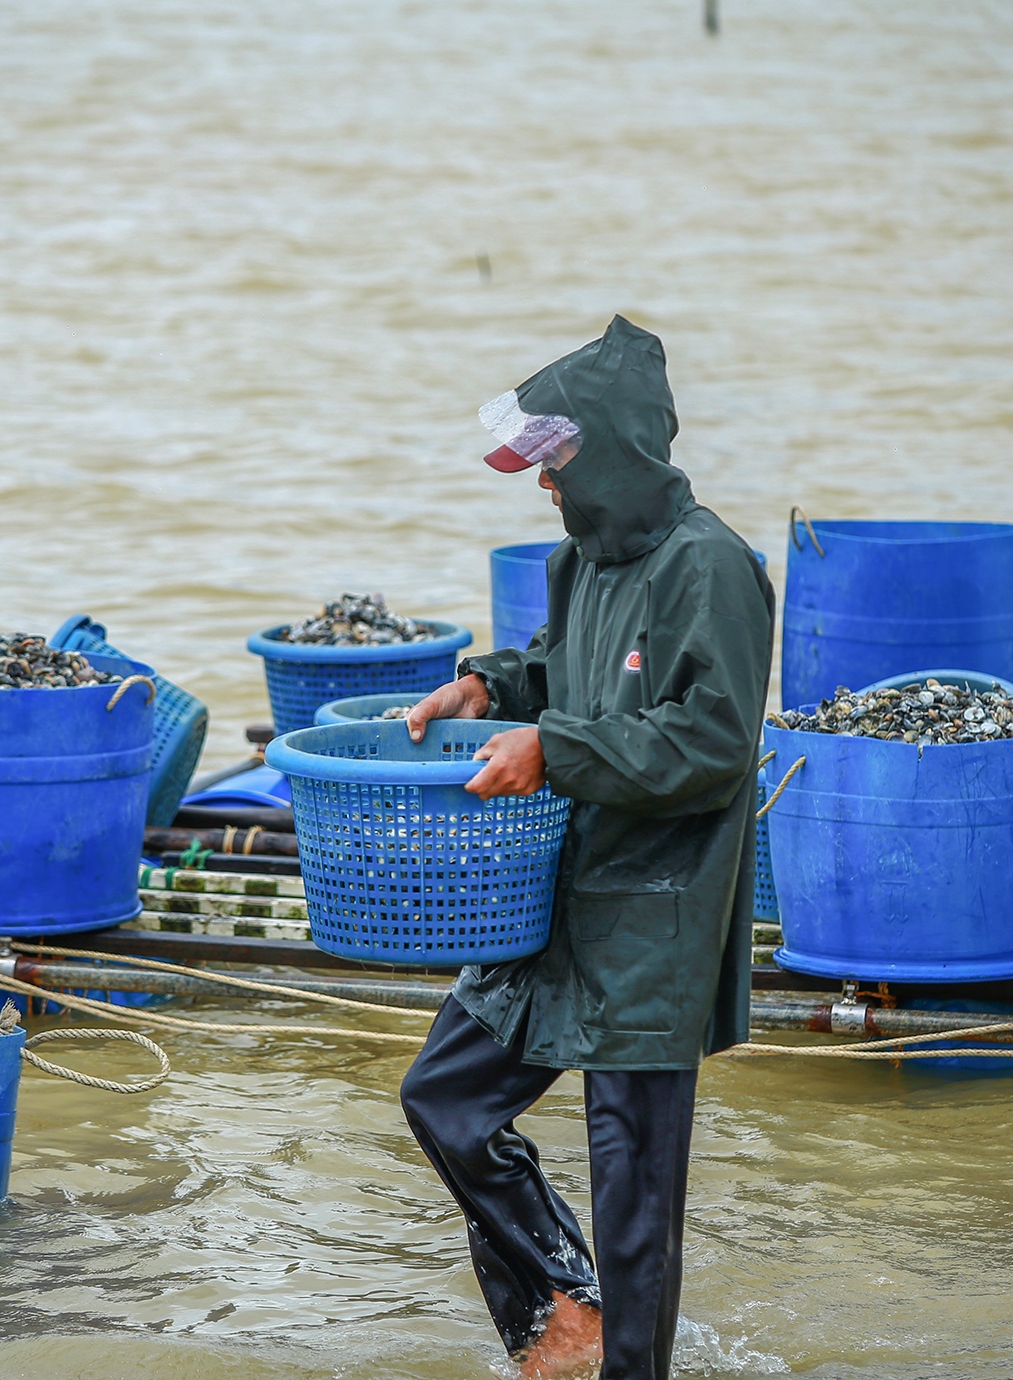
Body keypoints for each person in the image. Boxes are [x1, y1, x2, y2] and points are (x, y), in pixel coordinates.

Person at [398, 315, 775, 1380]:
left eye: (555, 462)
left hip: (657, 914)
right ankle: (566, 1307)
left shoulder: (712, 568)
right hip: (555, 894)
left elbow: (713, 746)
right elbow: (565, 671)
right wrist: (492, 687)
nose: (543, 485)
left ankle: (622, 1361)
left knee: (636, 1190)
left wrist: (550, 748)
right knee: (446, 1099)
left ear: (609, 456)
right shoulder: (582, 565)